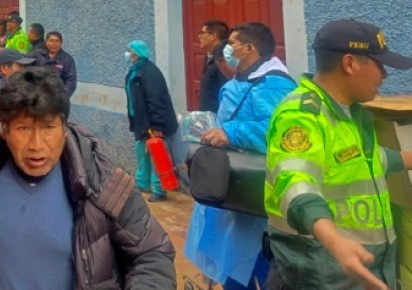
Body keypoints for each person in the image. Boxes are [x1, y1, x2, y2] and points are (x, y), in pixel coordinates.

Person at [0, 67, 176, 289]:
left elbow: (152, 254)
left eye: (48, 128)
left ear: (64, 128)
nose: (36, 145)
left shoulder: (103, 181)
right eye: (23, 128)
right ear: (5, 131)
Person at [264, 19, 412, 290]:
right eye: (379, 65)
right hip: (320, 273)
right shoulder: (301, 116)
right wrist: (334, 241)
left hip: (362, 270)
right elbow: (295, 185)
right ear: (349, 63)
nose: (385, 75)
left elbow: (368, 163)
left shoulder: (348, 113)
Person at [184, 22, 297, 290]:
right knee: (231, 262)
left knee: (257, 262)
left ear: (249, 49)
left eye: (232, 43)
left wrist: (231, 133)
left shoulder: (274, 85)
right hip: (234, 188)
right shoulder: (243, 79)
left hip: (256, 193)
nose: (227, 48)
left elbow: (281, 134)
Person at [124, 40, 179, 203]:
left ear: (136, 53)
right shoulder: (135, 70)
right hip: (141, 122)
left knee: (158, 155)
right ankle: (143, 183)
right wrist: (131, 114)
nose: (127, 54)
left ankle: (159, 189)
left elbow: (156, 100)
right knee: (142, 153)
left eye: (130, 51)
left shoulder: (149, 72)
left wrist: (157, 126)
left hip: (153, 123)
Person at [198, 19, 231, 112]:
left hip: (218, 115)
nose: (199, 36)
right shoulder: (208, 57)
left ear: (213, 36)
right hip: (207, 114)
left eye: (202, 33)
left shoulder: (223, 60)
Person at [35, 31, 78, 97]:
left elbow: (71, 83)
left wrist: (61, 99)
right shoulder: (38, 54)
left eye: (57, 41)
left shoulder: (67, 59)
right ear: (46, 42)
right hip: (37, 96)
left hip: (55, 97)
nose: (54, 44)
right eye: (51, 40)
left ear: (61, 43)